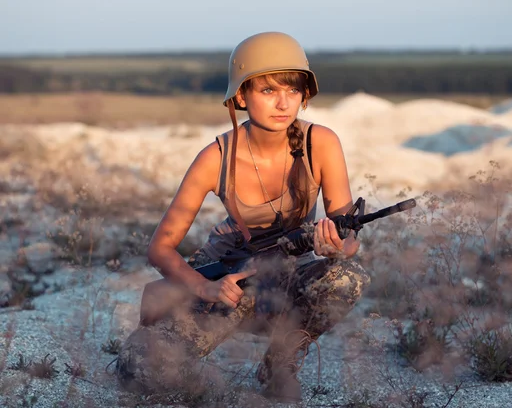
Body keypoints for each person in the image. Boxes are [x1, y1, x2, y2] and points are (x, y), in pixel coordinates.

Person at [115, 32, 371, 402]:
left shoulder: (322, 143)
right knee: (138, 370)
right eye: (268, 91)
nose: (284, 103)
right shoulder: (215, 157)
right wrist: (205, 287)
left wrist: (337, 249)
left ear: (305, 94)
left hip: (285, 276)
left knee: (348, 279)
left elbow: (347, 235)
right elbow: (160, 250)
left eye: (293, 90)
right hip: (229, 280)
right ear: (240, 96)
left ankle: (280, 365)